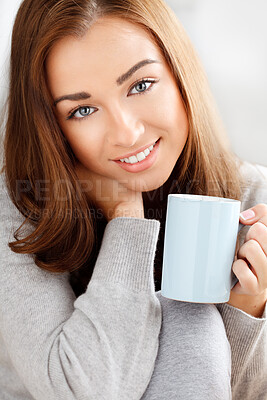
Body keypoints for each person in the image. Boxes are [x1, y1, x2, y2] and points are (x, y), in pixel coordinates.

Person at [0, 0, 266, 399]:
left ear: (180, 74)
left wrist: (246, 308)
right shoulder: (19, 208)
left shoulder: (250, 197)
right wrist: (125, 216)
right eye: (83, 109)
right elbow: (80, 391)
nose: (126, 133)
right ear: (49, 126)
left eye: (140, 86)